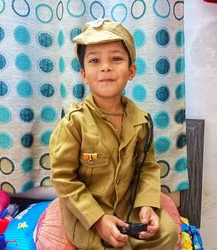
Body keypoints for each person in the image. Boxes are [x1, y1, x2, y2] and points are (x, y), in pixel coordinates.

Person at [48, 19, 178, 249]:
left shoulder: (141, 121)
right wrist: (98, 220)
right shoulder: (73, 124)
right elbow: (63, 178)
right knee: (111, 246)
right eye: (95, 60)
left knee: (166, 233)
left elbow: (147, 167)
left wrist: (145, 205)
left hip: (129, 205)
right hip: (89, 212)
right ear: (84, 74)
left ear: (131, 71)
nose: (105, 67)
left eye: (116, 59)